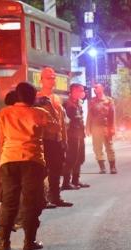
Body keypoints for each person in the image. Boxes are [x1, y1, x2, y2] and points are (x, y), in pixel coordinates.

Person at [0, 82, 53, 250]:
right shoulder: (40, 113)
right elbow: (56, 129)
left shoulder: (4, 113)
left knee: (8, 200)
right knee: (31, 201)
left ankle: (3, 241)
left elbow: (0, 139)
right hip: (32, 161)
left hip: (8, 160)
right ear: (32, 96)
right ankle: (29, 242)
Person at [35, 67, 73, 207]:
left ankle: (55, 197)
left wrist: (64, 139)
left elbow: (62, 122)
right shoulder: (37, 99)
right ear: (41, 80)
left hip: (57, 140)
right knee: (43, 171)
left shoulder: (56, 98)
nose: (52, 80)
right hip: (44, 140)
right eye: (48, 78)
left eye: (53, 77)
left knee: (56, 170)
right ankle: (42, 199)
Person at [61, 83, 90, 190]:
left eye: (82, 90)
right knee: (71, 159)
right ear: (73, 92)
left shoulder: (78, 103)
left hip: (79, 134)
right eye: (80, 90)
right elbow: (66, 121)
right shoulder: (68, 105)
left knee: (79, 158)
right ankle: (66, 182)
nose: (82, 93)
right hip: (72, 135)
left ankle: (76, 180)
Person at [86, 83, 117, 174]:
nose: (95, 89)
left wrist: (112, 128)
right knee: (97, 148)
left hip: (106, 126)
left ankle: (113, 167)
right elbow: (89, 115)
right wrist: (87, 127)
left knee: (109, 147)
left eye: (96, 87)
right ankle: (102, 167)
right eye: (94, 88)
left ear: (102, 88)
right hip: (95, 127)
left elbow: (112, 115)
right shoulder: (92, 101)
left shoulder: (108, 100)